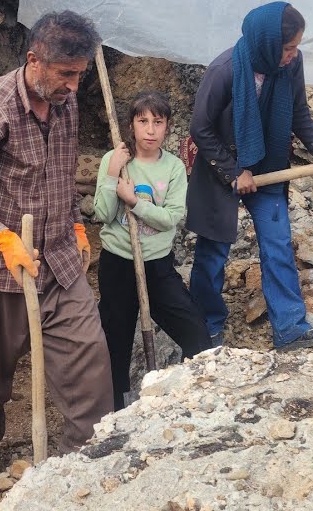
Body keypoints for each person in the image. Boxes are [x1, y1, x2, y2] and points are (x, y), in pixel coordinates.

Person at [0, 11, 112, 485]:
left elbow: (62, 173)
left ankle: (86, 458)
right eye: (66, 74)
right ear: (35, 60)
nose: (75, 86)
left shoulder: (66, 105)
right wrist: (2, 235)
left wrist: (75, 223)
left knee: (88, 357)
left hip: (55, 258)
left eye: (81, 74)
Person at [185, 2, 313, 351]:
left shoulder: (292, 65)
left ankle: (290, 328)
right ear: (268, 44)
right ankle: (206, 327)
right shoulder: (225, 70)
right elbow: (200, 127)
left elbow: (299, 112)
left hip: (269, 164)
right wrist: (233, 171)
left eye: (296, 47)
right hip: (221, 168)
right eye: (287, 48)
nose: (293, 55)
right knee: (214, 251)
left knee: (277, 245)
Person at [94, 91, 211, 410]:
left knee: (196, 333)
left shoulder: (173, 168)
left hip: (157, 267)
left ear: (167, 127)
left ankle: (191, 399)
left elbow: (171, 218)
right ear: (131, 125)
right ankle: (115, 412)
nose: (149, 130)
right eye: (142, 121)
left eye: (157, 122)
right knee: (114, 343)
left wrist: (134, 203)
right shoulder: (115, 160)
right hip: (117, 265)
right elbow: (102, 214)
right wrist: (111, 174)